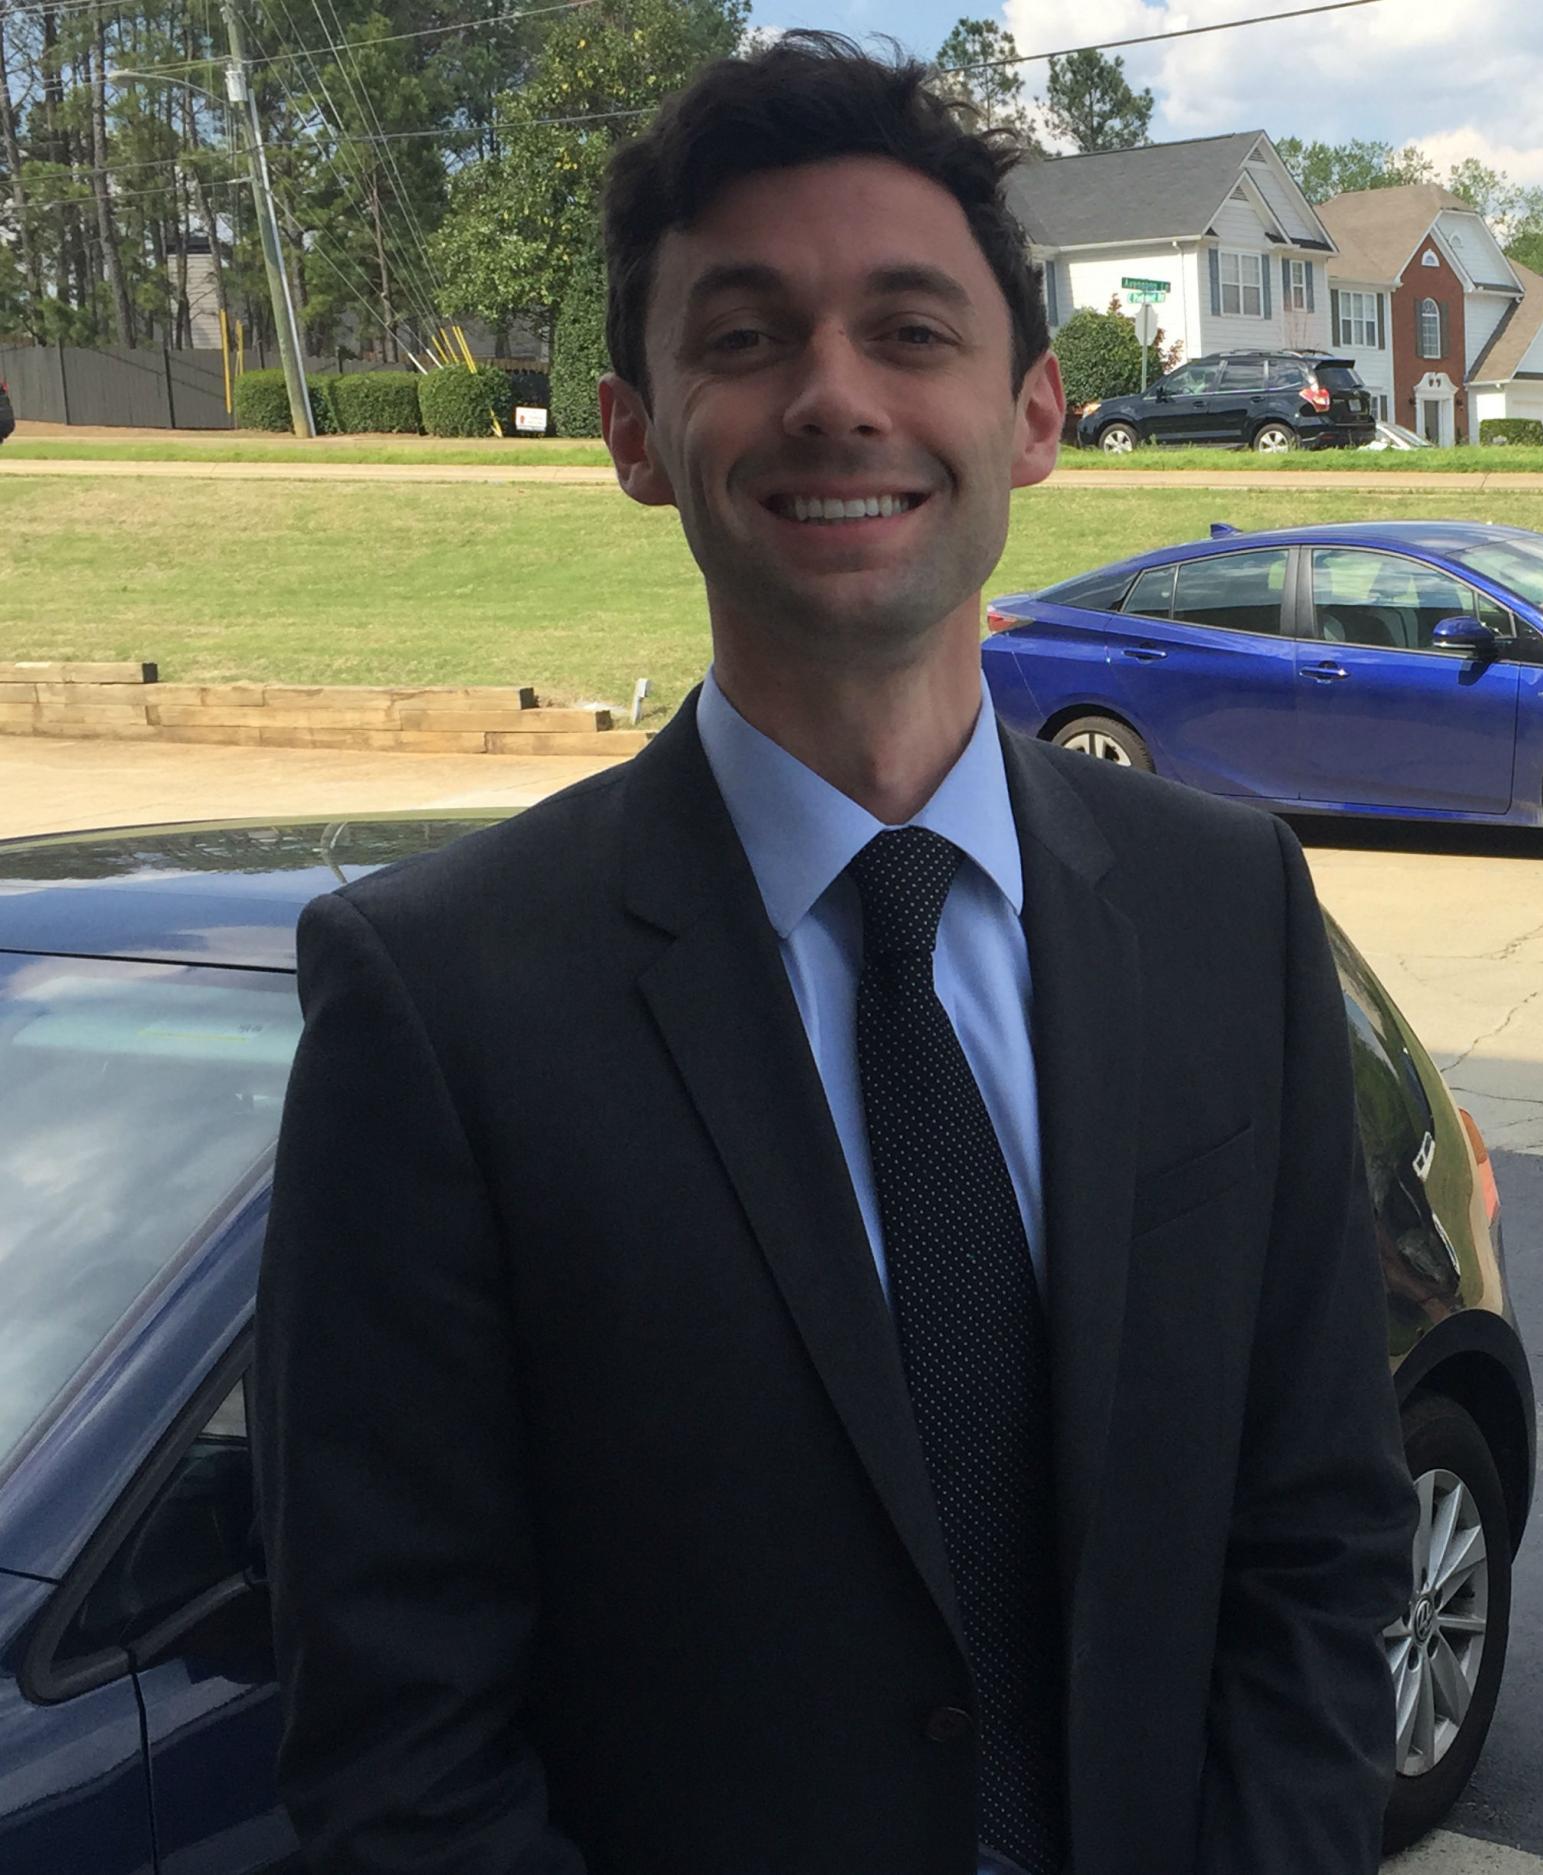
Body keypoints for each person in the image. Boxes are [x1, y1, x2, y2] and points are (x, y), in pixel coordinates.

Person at [253, 32, 1415, 1875]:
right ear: (636, 433)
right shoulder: (441, 1004)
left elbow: (1318, 1542)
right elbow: (400, 1732)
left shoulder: (1228, 912)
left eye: (910, 330)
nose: (835, 398)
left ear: (1033, 412)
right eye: (742, 338)